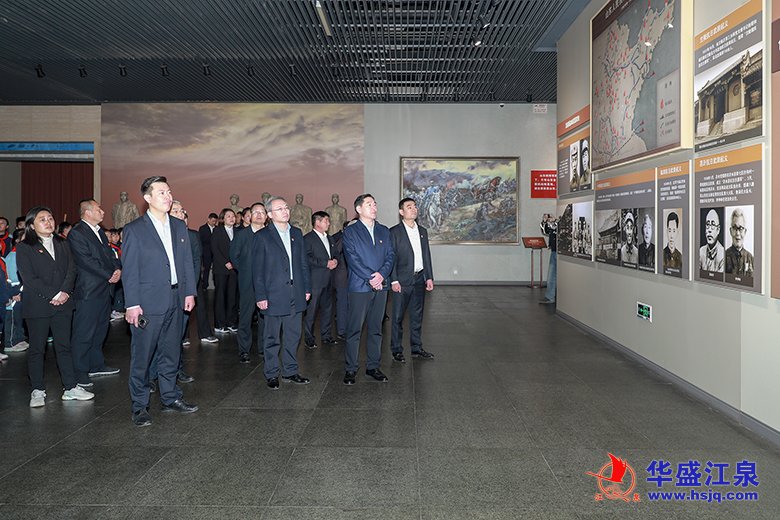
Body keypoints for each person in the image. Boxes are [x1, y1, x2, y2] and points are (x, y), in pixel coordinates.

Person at [123, 176, 198, 427]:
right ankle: (139, 406)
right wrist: (132, 304)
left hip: (176, 298)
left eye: (169, 192)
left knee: (171, 352)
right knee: (142, 357)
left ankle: (170, 397)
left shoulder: (178, 226)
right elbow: (130, 270)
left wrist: (189, 292)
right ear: (147, 198)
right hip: (148, 303)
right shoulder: (135, 229)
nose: (168, 196)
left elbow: (186, 262)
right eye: (162, 193)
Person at [16, 206, 94, 407]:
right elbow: (29, 278)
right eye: (42, 219)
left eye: (50, 218)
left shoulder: (62, 242)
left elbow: (72, 269)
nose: (48, 222)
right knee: (37, 349)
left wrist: (65, 292)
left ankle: (70, 387)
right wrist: (54, 294)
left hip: (63, 304)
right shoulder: (25, 247)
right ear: (31, 225)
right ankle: (37, 390)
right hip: (38, 306)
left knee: (64, 347)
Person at [252, 196, 311, 389]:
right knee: (272, 337)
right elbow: (257, 270)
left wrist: (307, 288)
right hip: (273, 294)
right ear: (270, 214)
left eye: (286, 207)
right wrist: (261, 296)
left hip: (296, 291)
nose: (285, 211)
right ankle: (271, 373)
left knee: (293, 335)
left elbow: (303, 263)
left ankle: (290, 371)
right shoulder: (262, 236)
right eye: (280, 209)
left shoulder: (297, 233)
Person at [68, 199, 122, 388]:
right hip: (89, 290)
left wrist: (117, 269)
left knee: (100, 330)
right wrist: (109, 274)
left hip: (104, 289)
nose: (103, 212)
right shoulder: (77, 233)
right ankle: (80, 372)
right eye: (99, 209)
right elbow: (86, 261)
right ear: (88, 212)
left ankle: (96, 365)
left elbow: (110, 255)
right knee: (84, 332)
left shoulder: (99, 231)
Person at [342, 194, 395, 385]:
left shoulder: (384, 230)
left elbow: (390, 255)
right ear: (358, 209)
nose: (374, 207)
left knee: (376, 329)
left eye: (375, 204)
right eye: (369, 204)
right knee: (354, 329)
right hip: (360, 286)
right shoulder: (351, 231)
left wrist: (381, 275)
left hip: (381, 286)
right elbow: (352, 258)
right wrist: (372, 278)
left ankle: (373, 366)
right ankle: (351, 368)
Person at [147, 201, 196, 393]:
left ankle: (174, 371)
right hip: (159, 295)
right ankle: (152, 375)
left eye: (181, 211)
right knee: (157, 339)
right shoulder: (154, 233)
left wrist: (190, 290)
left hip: (181, 294)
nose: (180, 214)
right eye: (175, 210)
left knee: (176, 338)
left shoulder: (186, 234)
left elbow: (192, 264)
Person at [389, 198, 435, 363]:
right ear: (401, 212)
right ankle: (396, 350)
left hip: (419, 279)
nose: (414, 209)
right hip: (401, 281)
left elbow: (426, 255)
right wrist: (394, 280)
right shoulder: (394, 232)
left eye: (415, 206)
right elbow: (391, 258)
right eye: (409, 207)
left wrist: (429, 277)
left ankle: (416, 348)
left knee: (417, 316)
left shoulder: (422, 231)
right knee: (398, 317)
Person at [230, 202, 266, 364]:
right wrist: (246, 271)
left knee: (266, 317)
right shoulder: (242, 235)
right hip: (248, 282)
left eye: (262, 212)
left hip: (268, 283)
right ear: (250, 216)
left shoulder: (270, 234)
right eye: (255, 212)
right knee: (246, 316)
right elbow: (234, 256)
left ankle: (264, 347)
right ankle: (244, 350)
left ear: (266, 216)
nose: (259, 215)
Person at [303, 211, 338, 350]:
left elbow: (335, 254)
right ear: (317, 222)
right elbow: (306, 258)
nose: (328, 223)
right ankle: (309, 338)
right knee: (311, 311)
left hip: (329, 279)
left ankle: (326, 335)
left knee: (328, 310)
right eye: (326, 221)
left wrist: (335, 261)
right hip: (315, 280)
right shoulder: (308, 239)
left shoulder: (330, 238)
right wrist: (325, 263)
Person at [211, 208, 239, 333]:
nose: (232, 218)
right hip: (221, 269)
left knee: (232, 296)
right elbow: (214, 249)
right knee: (221, 296)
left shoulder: (238, 232)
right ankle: (219, 324)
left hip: (234, 269)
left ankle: (231, 322)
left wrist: (235, 263)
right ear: (223, 218)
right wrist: (225, 262)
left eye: (233, 216)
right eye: (228, 216)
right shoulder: (217, 231)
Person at [3, 229, 28, 353]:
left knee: (19, 317)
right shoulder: (13, 256)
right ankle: (10, 343)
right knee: (12, 318)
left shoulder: (21, 255)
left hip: (20, 291)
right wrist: (15, 293)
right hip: (14, 292)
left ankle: (19, 339)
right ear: (18, 241)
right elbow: (11, 277)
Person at [725, 208, 754, 277]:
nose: (737, 233)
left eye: (740, 228)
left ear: (745, 232)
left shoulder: (751, 258)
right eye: (735, 228)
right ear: (730, 231)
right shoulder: (724, 256)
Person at [699, 208, 725, 273]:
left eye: (713, 225)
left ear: (718, 230)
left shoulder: (723, 254)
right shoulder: (701, 251)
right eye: (707, 225)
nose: (709, 230)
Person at [539, 213, 557, 304]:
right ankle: (550, 297)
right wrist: (544, 222)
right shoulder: (552, 225)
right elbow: (545, 231)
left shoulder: (559, 224)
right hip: (554, 251)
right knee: (551, 275)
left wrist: (555, 221)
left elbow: (559, 230)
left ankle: (552, 296)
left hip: (561, 252)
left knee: (554, 275)